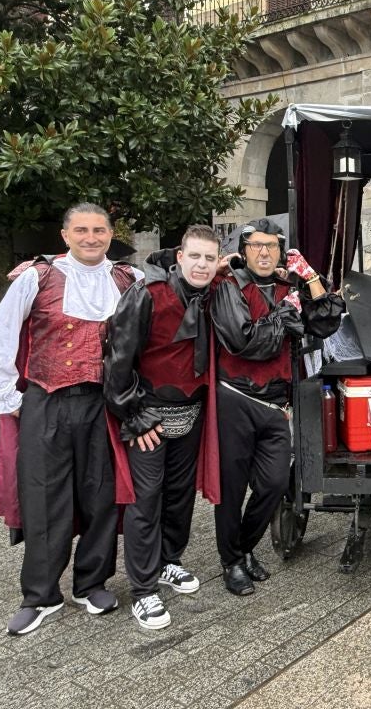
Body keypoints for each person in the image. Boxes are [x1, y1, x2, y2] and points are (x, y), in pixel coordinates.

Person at [0, 203, 140, 635]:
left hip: (103, 403)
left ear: (110, 235)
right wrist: (6, 394)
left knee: (101, 495)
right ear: (66, 234)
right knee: (44, 497)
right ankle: (40, 594)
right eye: (82, 230)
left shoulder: (129, 279)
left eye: (99, 230)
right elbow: (2, 335)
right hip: (47, 401)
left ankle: (91, 583)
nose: (91, 237)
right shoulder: (37, 277)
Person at [211, 218, 344, 596]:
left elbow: (325, 323)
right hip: (234, 399)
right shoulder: (229, 286)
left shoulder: (290, 287)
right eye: (257, 246)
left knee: (272, 485)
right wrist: (285, 319)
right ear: (245, 249)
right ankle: (232, 561)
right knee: (231, 489)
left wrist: (311, 277)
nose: (265, 252)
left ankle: (242, 549)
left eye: (272, 246)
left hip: (275, 403)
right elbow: (244, 341)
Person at [103, 225, 222, 630]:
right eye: (196, 257)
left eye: (210, 258)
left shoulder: (210, 296)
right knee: (145, 501)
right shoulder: (146, 295)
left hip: (190, 413)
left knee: (178, 495)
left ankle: (170, 560)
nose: (202, 264)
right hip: (148, 415)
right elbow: (118, 361)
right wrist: (134, 416)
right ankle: (143, 589)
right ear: (180, 257)